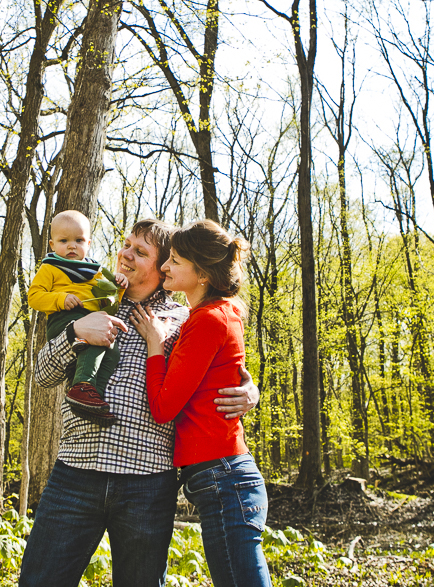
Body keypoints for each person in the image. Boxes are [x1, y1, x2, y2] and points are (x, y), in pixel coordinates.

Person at [18, 218, 259, 587]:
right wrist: (75, 332)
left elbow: (221, 366)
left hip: (147, 484)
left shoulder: (183, 320)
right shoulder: (89, 300)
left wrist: (250, 390)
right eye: (126, 244)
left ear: (162, 266)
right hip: (76, 473)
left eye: (140, 251)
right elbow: (43, 375)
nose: (124, 254)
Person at [131, 219, 272, 587]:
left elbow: (162, 408)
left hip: (224, 479)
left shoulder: (208, 320)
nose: (164, 267)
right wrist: (251, 390)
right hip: (223, 478)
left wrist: (155, 345)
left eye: (175, 261)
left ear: (203, 275)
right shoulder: (217, 314)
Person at [27, 210, 127, 425]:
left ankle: (92, 398)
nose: (72, 246)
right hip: (64, 320)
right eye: (64, 240)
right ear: (53, 245)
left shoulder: (95, 271)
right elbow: (34, 297)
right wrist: (60, 299)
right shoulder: (51, 267)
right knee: (95, 343)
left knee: (112, 351)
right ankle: (82, 385)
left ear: (88, 243)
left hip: (93, 320)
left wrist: (118, 287)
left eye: (79, 240)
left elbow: (107, 304)